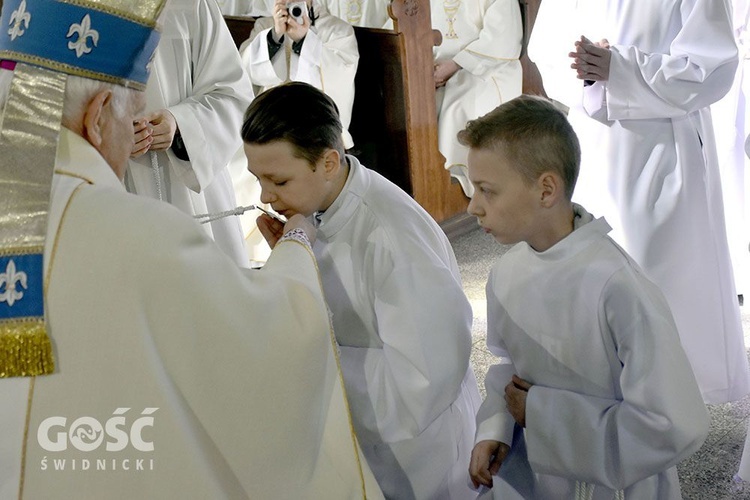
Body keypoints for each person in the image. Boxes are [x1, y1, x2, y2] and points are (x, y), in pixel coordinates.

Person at [0, 0, 383, 498]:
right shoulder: (145, 241)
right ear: (97, 119)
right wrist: (294, 249)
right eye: (128, 113)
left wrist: (180, 126)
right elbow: (271, 353)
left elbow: (232, 91)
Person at [243, 81, 482, 499]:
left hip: (418, 460)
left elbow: (423, 382)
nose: (265, 196)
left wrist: (303, 366)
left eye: (278, 180)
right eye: (258, 178)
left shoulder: (393, 240)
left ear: (330, 162)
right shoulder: (322, 205)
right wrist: (295, 259)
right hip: (370, 443)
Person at [464, 95, 709, 499]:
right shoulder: (506, 273)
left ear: (546, 189)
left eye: (487, 190)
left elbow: (675, 424)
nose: (473, 207)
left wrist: (542, 417)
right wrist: (497, 427)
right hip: (539, 477)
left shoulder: (618, 286)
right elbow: (509, 366)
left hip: (617, 484)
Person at [527, 0, 750, 404]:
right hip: (591, 141)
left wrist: (622, 69)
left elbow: (713, 68)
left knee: (657, 271)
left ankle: (666, 397)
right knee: (594, 269)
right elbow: (546, 49)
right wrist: (586, 72)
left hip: (662, 145)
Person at [126, 0, 254, 268]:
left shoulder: (191, 5)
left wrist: (180, 123)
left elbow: (234, 94)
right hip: (111, 184)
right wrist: (108, 135)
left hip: (186, 181)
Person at [431, 0, 523, 198]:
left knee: (460, 103)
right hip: (438, 67)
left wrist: (456, 64)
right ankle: (435, 184)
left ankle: (478, 185)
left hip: (487, 66)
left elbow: (503, 38)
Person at [239, 0, 358, 149]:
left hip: (316, 127)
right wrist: (274, 37)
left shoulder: (337, 30)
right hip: (269, 124)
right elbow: (243, 71)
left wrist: (304, 40)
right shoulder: (264, 26)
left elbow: (341, 75)